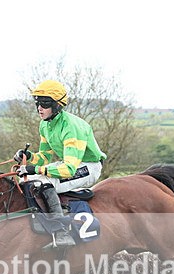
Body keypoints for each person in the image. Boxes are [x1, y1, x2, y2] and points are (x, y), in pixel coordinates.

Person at [14, 79, 107, 249]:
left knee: (44, 181)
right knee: (26, 180)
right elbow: (44, 157)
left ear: (57, 105)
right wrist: (29, 156)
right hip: (69, 163)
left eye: (45, 103)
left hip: (89, 166)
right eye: (37, 103)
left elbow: (69, 168)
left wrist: (36, 169)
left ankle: (61, 232)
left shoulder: (71, 126)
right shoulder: (45, 125)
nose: (39, 108)